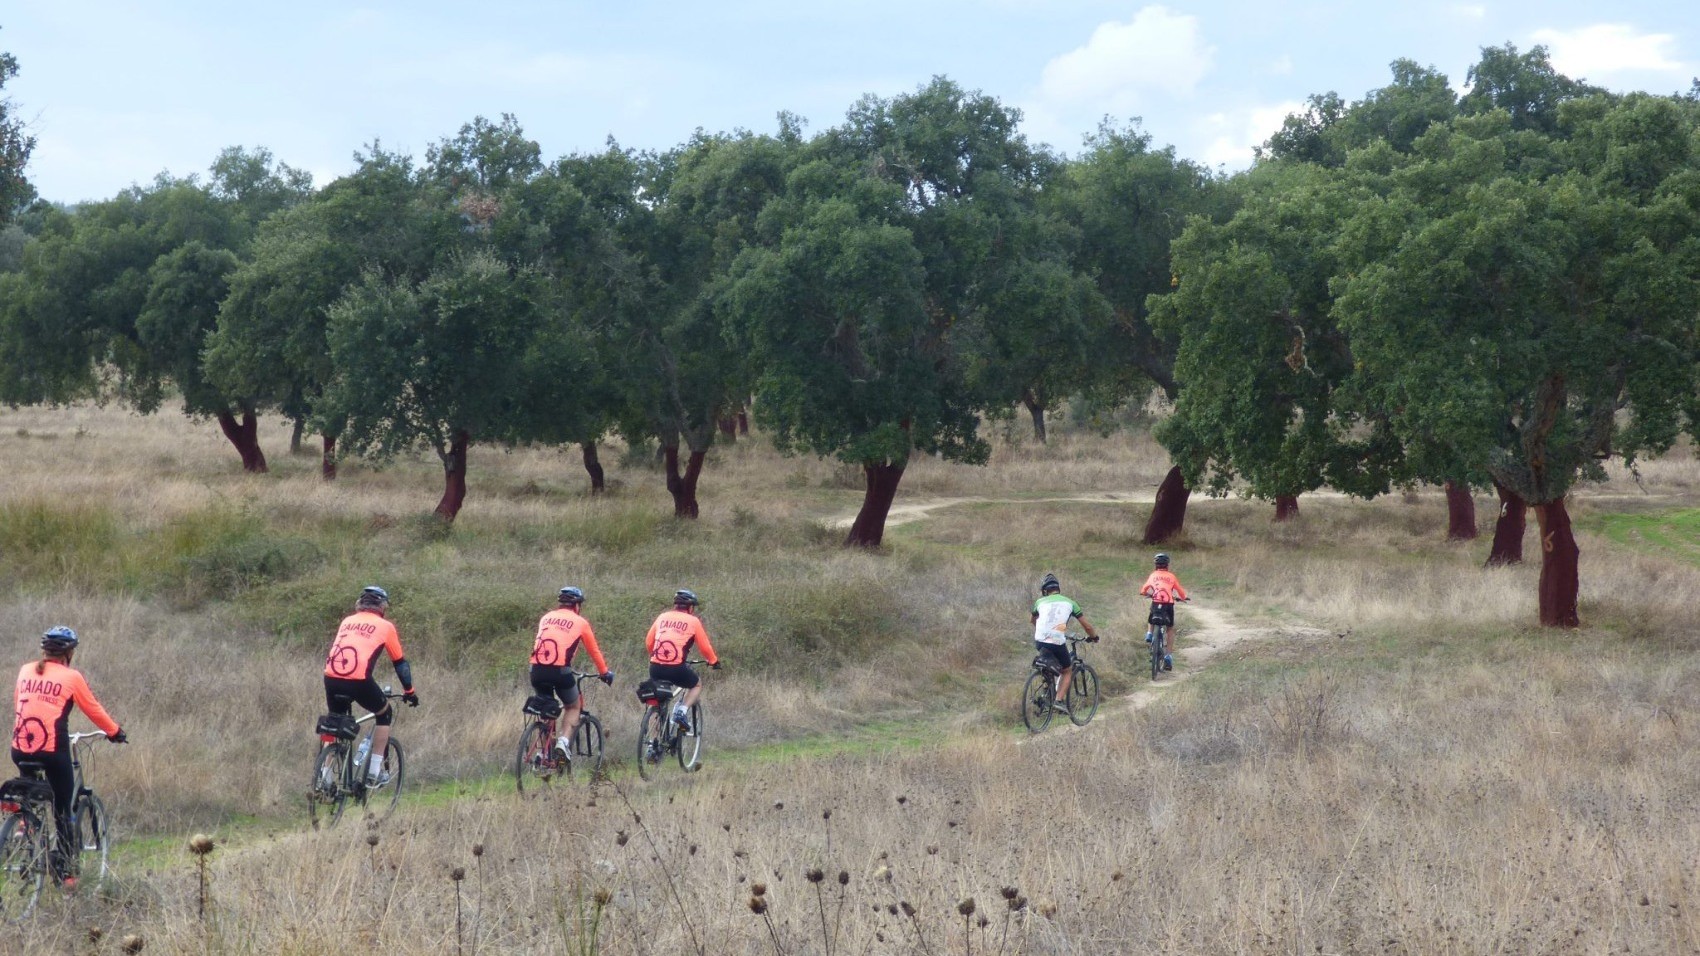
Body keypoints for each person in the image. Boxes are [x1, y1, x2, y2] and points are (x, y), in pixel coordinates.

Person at [11, 626, 127, 889]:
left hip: (20, 746)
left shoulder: (25, 670)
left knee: (29, 793)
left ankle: (24, 825)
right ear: (69, 653)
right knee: (63, 808)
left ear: (44, 651)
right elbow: (93, 708)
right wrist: (115, 731)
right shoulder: (71, 677)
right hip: (52, 750)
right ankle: (66, 875)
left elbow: (21, 703)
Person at [322, 586, 417, 787]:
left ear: (360, 605)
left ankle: (325, 776)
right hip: (358, 680)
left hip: (331, 677)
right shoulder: (385, 626)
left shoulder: (347, 621)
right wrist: (409, 691)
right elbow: (400, 664)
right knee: (384, 713)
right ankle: (374, 772)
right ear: (382, 607)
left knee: (334, 721)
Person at [529, 586, 613, 762]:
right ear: (577, 605)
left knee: (547, 709)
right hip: (560, 671)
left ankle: (543, 755)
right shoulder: (580, 622)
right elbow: (594, 651)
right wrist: (604, 673)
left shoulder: (546, 617)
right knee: (573, 706)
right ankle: (563, 742)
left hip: (536, 670)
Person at [645, 589, 720, 732]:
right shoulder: (693, 621)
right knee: (696, 684)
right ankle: (682, 711)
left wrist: (656, 656)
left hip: (655, 666)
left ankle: (652, 745)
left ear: (675, 605)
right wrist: (713, 661)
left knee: (656, 704)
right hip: (676, 668)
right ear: (690, 607)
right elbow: (705, 646)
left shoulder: (662, 617)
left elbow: (649, 641)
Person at [1030, 573, 1099, 713]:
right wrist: (1094, 637)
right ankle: (1058, 701)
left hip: (1040, 639)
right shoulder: (1070, 602)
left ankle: (1047, 690)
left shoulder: (1039, 602)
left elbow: (1033, 621)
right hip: (1056, 640)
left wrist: (1048, 630)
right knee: (1067, 670)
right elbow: (1087, 627)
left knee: (1050, 663)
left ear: (1045, 590)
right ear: (1058, 589)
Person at [1140, 553, 1190, 671]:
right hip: (1168, 604)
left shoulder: (1153, 575)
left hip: (1156, 602)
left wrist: (1147, 594)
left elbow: (1143, 590)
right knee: (1170, 628)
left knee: (1152, 617)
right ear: (1167, 565)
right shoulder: (1171, 576)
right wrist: (1182, 597)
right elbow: (1180, 592)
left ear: (1156, 565)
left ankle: (1149, 634)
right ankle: (1168, 655)